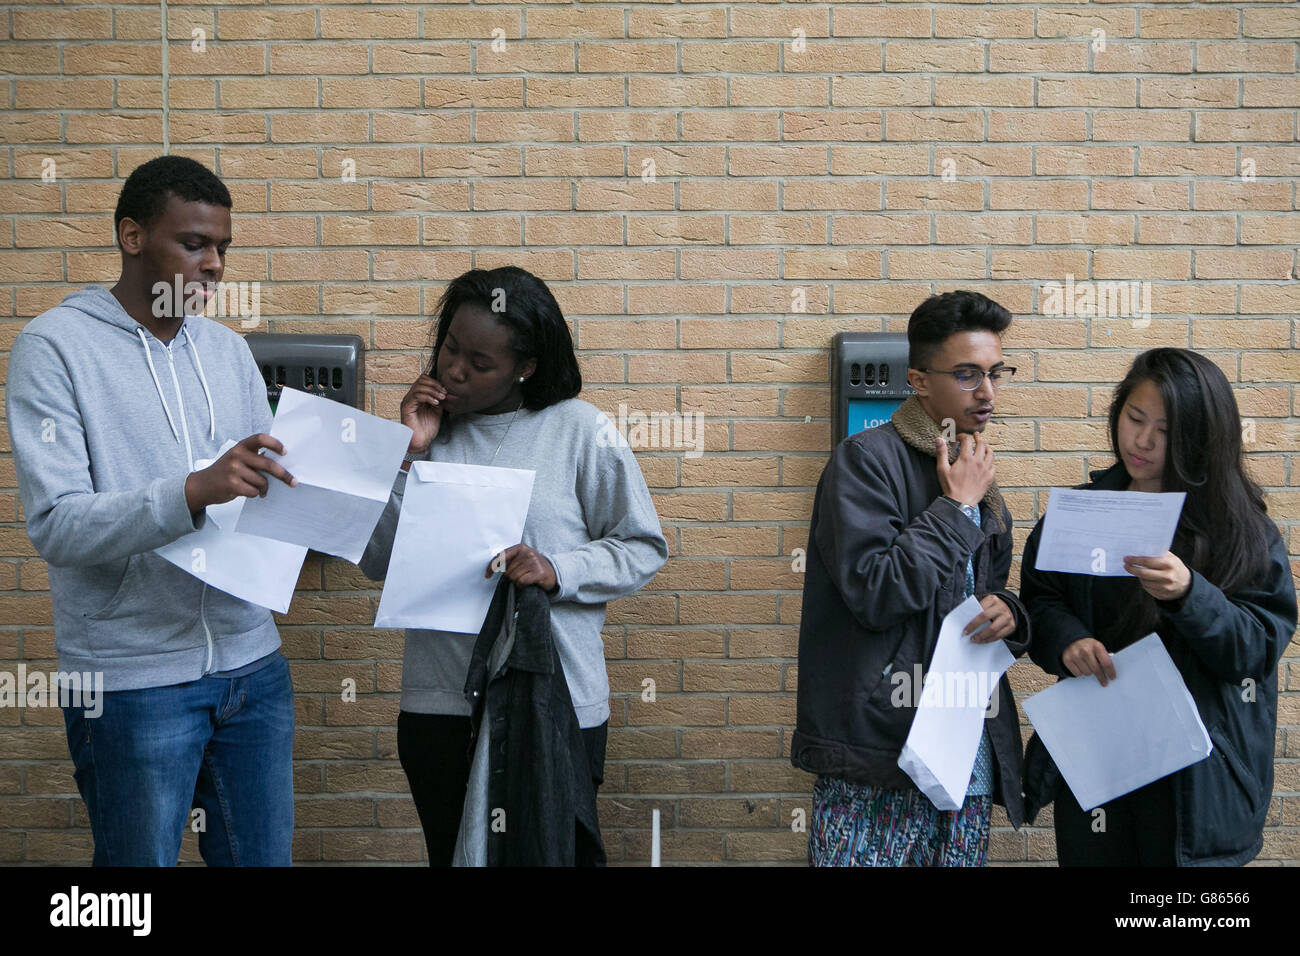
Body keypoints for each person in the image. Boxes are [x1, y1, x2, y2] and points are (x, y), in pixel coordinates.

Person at [6, 156, 299, 866]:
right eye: (194, 244)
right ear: (132, 236)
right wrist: (193, 491)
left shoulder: (228, 352)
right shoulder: (55, 348)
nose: (214, 265)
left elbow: (256, 490)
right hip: (130, 681)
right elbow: (58, 525)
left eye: (223, 248)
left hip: (251, 668)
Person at [360, 265, 668, 865]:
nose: (454, 370)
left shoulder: (581, 431)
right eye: (450, 347)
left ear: (524, 366)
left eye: (480, 362)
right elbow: (378, 562)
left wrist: (560, 569)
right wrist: (404, 458)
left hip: (556, 705)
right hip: (441, 707)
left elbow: (642, 546)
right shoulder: (421, 433)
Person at [1020, 348, 1297, 866]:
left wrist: (1191, 594)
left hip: (1199, 778)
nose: (1142, 441)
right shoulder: (1084, 511)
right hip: (1101, 763)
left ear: (1200, 439)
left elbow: (1255, 648)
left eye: (1164, 431)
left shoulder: (1243, 533)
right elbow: (1042, 600)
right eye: (1134, 418)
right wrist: (1067, 642)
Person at [792, 290, 1032, 866]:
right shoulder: (866, 461)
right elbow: (875, 592)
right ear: (920, 380)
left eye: (996, 373)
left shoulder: (971, 465)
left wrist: (1012, 614)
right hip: (882, 757)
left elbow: (975, 594)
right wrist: (956, 509)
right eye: (968, 374)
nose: (988, 393)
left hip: (965, 758)